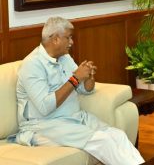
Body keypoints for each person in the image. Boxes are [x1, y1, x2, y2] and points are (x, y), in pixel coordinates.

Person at [10, 17, 144, 165]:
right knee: (104, 141)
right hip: (44, 126)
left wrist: (88, 78)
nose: (72, 42)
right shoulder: (32, 65)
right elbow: (45, 107)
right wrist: (75, 78)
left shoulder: (65, 58)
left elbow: (84, 90)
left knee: (117, 135)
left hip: (73, 118)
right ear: (55, 39)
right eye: (68, 37)